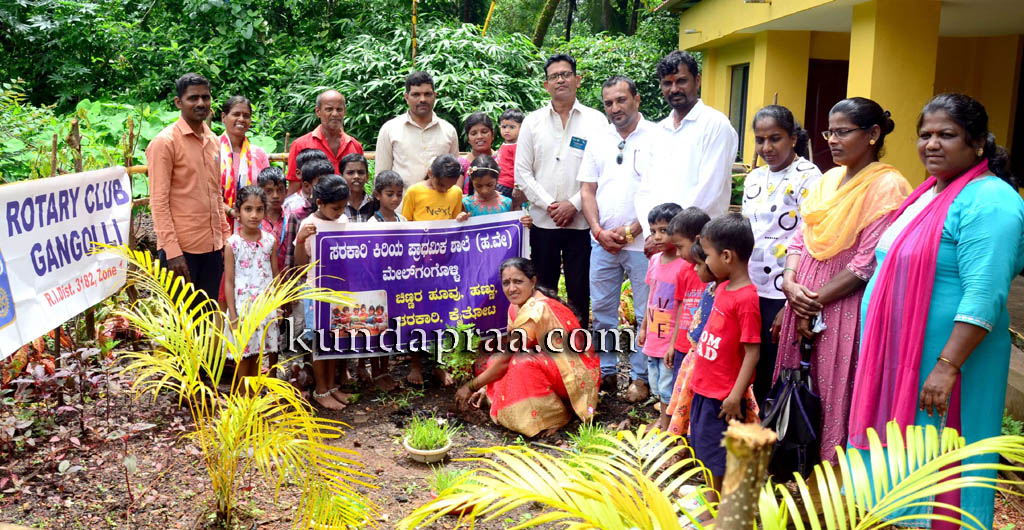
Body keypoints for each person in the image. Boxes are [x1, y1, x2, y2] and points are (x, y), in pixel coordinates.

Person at [848, 94, 1024, 530]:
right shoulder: (930, 192)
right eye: (925, 135)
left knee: (941, 458)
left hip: (946, 364)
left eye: (947, 135)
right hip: (902, 359)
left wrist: (946, 366)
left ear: (978, 142)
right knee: (905, 454)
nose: (932, 144)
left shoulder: (990, 200)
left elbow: (985, 292)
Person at [773, 97, 911, 467]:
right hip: (802, 294)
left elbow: (866, 262)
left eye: (843, 132)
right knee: (799, 389)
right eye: (829, 132)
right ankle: (795, 468)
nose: (832, 140)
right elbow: (800, 238)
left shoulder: (888, 186)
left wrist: (810, 301)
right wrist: (789, 283)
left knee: (834, 390)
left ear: (873, 134)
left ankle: (830, 484)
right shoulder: (828, 178)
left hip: (843, 305)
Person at [578, 75, 660, 401]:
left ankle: (641, 378)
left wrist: (634, 229)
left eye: (621, 100)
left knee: (645, 312)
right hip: (603, 242)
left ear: (637, 99)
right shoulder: (598, 140)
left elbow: (659, 190)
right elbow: (587, 188)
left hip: (643, 244)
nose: (615, 108)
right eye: (609, 102)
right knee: (602, 311)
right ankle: (607, 373)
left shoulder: (657, 137)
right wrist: (598, 230)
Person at [454, 257, 599, 438]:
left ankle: (554, 417)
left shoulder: (535, 311)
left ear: (533, 282)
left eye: (518, 281)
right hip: (550, 363)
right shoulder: (515, 306)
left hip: (574, 377)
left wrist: (471, 386)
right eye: (506, 283)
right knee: (492, 361)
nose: (512, 288)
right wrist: (487, 387)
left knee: (520, 364)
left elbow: (506, 362)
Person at [515, 54, 608, 329]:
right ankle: (546, 346)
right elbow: (523, 172)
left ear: (577, 80)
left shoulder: (596, 121)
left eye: (566, 74)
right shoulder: (532, 122)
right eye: (554, 76)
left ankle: (579, 344)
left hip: (582, 223)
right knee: (544, 287)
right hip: (544, 222)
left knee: (580, 286)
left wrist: (574, 204)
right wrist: (552, 205)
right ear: (546, 85)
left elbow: (603, 171)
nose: (560, 80)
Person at [742, 105, 822, 405]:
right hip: (750, 287)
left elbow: (811, 238)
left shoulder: (808, 176)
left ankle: (776, 437)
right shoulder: (754, 178)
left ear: (792, 138)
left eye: (775, 138)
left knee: (776, 368)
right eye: (760, 140)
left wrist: (790, 302)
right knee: (751, 362)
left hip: (783, 291)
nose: (766, 147)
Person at [687, 213, 761, 517]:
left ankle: (716, 509)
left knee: (718, 455)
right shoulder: (722, 288)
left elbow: (752, 353)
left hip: (722, 396)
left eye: (707, 255)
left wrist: (734, 395)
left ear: (727, 256)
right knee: (703, 448)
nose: (704, 262)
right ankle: (710, 496)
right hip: (703, 387)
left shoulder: (746, 297)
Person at [635, 50, 738, 254]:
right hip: (662, 246)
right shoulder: (659, 131)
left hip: (700, 244)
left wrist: (671, 234)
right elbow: (645, 189)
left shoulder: (716, 125)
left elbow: (709, 189)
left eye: (681, 81)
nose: (674, 89)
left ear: (697, 80)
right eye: (667, 83)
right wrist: (654, 234)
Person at [146, 73, 229, 302]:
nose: (201, 103)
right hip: (182, 252)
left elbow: (216, 195)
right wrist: (172, 252)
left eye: (206, 97)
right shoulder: (165, 143)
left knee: (205, 319)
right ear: (178, 102)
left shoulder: (212, 140)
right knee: (181, 327)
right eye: (193, 98)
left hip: (213, 249)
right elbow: (159, 202)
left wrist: (225, 238)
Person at [294, 174, 351, 410]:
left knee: (336, 339)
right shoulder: (309, 225)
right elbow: (300, 265)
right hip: (316, 290)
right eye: (335, 208)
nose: (339, 212)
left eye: (342, 207)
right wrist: (300, 241)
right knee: (320, 342)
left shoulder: (344, 220)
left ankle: (332, 386)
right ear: (320, 203)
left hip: (340, 289)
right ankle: (320, 389)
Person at [223, 185, 279, 388]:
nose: (254, 215)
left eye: (259, 210)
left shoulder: (270, 241)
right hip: (243, 308)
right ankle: (243, 401)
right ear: (237, 212)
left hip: (266, 306)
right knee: (244, 355)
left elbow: (275, 274)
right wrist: (233, 315)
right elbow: (229, 281)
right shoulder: (232, 244)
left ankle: (262, 398)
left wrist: (277, 303)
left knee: (265, 351)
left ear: (264, 211)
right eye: (248, 209)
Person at [637, 202, 683, 430]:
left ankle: (667, 426)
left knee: (667, 384)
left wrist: (675, 343)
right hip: (654, 333)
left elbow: (684, 307)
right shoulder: (654, 261)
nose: (657, 237)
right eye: (653, 231)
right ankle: (662, 419)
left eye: (664, 231)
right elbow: (651, 296)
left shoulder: (685, 265)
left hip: (670, 338)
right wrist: (644, 327)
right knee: (656, 381)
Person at [375, 71, 459, 188]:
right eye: (416, 95)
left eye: (427, 94)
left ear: (434, 95)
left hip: (439, 205)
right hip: (401, 205)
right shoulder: (390, 129)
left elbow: (454, 175)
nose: (422, 99)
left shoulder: (448, 131)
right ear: (406, 97)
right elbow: (381, 176)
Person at [664, 207, 710, 389]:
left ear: (698, 240)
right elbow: (682, 306)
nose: (677, 254)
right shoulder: (683, 270)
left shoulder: (714, 274)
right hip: (683, 346)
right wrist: (673, 344)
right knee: (679, 392)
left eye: (679, 247)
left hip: (703, 350)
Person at [285, 90, 364, 195]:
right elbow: (294, 188)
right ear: (318, 112)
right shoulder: (300, 145)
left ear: (344, 111)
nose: (335, 114)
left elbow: (359, 187)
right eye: (329, 109)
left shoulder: (355, 145)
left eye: (339, 109)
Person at [219, 95, 270, 234]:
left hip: (253, 226)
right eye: (236, 114)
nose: (241, 119)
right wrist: (230, 211)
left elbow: (267, 191)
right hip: (217, 227)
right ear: (224, 117)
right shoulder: (212, 151)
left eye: (246, 115)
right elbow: (206, 193)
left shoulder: (258, 154)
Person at [282, 158, 335, 269]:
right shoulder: (297, 215)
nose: (326, 188)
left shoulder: (338, 213)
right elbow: (290, 255)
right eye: (321, 183)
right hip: (306, 280)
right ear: (306, 186)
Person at [401, 154, 464, 222]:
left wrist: (461, 218)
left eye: (450, 186)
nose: (445, 190)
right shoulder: (414, 191)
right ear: (430, 173)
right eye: (441, 185)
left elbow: (455, 221)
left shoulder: (457, 192)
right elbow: (406, 221)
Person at [256, 167, 287, 272]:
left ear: (286, 191)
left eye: (280, 190)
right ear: (260, 192)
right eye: (269, 191)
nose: (275, 196)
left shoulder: (291, 218)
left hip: (286, 280)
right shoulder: (254, 220)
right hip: (259, 278)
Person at [459, 112, 495, 193]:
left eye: (484, 132)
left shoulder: (501, 159)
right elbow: (456, 194)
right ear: (468, 138)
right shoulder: (461, 164)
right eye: (473, 133)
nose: (479, 137)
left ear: (493, 135)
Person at [496, 108, 524, 204]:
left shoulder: (517, 147)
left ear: (521, 128)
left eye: (512, 127)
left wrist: (517, 186)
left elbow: (519, 168)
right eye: (504, 127)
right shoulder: (505, 144)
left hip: (507, 184)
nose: (507, 130)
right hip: (499, 181)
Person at [338, 153, 374, 222]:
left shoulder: (375, 204)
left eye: (361, 172)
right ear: (341, 177)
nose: (356, 176)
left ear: (367, 177)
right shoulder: (334, 205)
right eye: (350, 173)